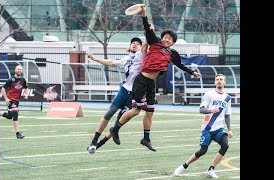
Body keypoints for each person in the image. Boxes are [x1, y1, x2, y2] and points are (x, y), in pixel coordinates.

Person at [109, 4, 201, 152]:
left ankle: (146, 138)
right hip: (141, 80)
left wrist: (193, 73)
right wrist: (144, 13)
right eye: (165, 37)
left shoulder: (172, 53)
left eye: (169, 38)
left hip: (152, 83)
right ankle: (116, 128)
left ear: (173, 42)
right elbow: (146, 27)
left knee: (150, 111)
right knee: (136, 110)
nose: (166, 39)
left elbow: (181, 65)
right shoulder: (155, 42)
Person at [87, 37, 149, 153]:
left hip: (134, 93)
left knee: (120, 121)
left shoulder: (141, 55)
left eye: (137, 44)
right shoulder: (125, 58)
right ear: (129, 46)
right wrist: (95, 59)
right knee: (109, 113)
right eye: (132, 43)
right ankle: (94, 140)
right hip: (124, 90)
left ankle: (102, 142)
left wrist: (147, 33)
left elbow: (146, 46)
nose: (135, 45)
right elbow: (111, 63)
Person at [173, 74, 233, 178]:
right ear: (215, 82)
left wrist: (230, 129)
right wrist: (210, 110)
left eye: (221, 79)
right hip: (207, 128)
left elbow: (227, 115)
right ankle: (184, 166)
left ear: (225, 82)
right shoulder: (209, 94)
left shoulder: (227, 98)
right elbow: (201, 109)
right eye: (217, 79)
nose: (219, 81)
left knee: (225, 145)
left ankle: (211, 169)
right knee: (203, 151)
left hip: (219, 128)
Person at [0, 65, 29, 139]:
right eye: (18, 69)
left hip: (16, 100)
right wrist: (6, 99)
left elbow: (26, 88)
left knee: (10, 116)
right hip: (10, 99)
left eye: (20, 69)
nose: (19, 70)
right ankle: (17, 133)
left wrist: (26, 94)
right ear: (15, 70)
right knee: (15, 113)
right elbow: (3, 89)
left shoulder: (23, 80)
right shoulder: (11, 79)